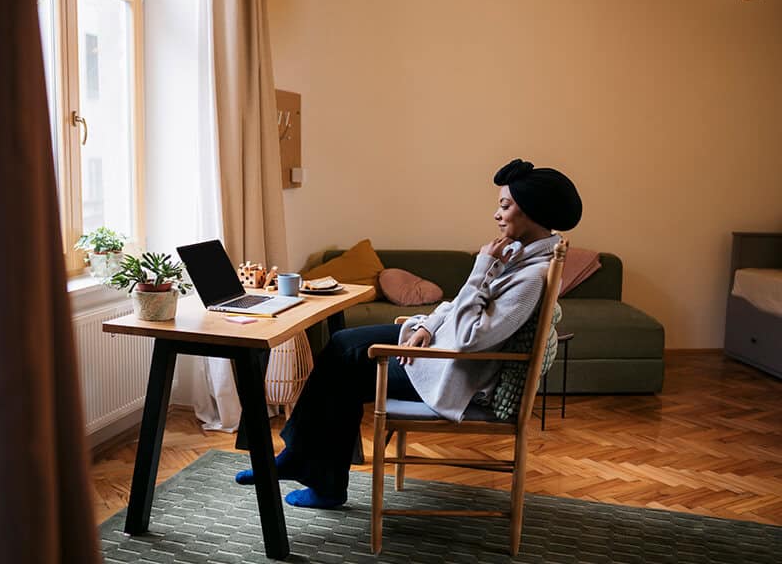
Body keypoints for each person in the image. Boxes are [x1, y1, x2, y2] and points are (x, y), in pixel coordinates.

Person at [235, 158, 583, 508]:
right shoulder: (520, 256)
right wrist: (428, 325)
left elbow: (468, 339)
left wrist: (480, 270)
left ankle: (311, 471)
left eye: (505, 205)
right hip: (439, 347)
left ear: (534, 212)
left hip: (451, 369)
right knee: (342, 346)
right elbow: (460, 305)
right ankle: (312, 471)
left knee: (346, 366)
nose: (497, 213)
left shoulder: (531, 278)